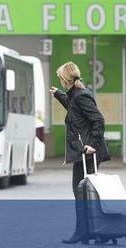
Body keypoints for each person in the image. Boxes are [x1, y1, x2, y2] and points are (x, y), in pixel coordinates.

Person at [50, 62, 110, 244]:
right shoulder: (76, 95)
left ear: (65, 79)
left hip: (89, 152)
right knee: (86, 192)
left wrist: (92, 143)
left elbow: (98, 120)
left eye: (60, 79)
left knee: (82, 192)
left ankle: (85, 232)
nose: (60, 81)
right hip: (83, 152)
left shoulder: (81, 96)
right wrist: (59, 96)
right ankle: (95, 231)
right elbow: (74, 110)